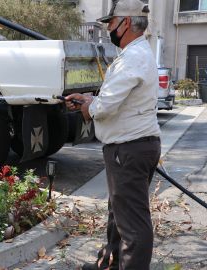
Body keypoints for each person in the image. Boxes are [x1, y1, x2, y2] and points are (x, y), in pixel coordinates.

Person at [65, 0, 161, 269]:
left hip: (129, 150)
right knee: (119, 213)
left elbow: (105, 107)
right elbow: (116, 98)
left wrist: (87, 107)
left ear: (126, 22)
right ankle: (111, 262)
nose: (109, 29)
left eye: (111, 23)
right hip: (132, 147)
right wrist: (88, 98)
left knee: (132, 225)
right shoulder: (137, 55)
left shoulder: (133, 57)